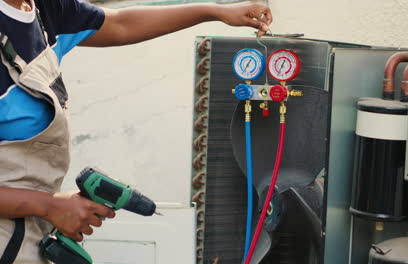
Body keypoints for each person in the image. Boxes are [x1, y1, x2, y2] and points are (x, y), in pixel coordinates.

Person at [0, 0, 273, 262]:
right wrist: (50, 206)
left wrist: (216, 11)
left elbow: (121, 23)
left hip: (28, 235)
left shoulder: (45, 9)